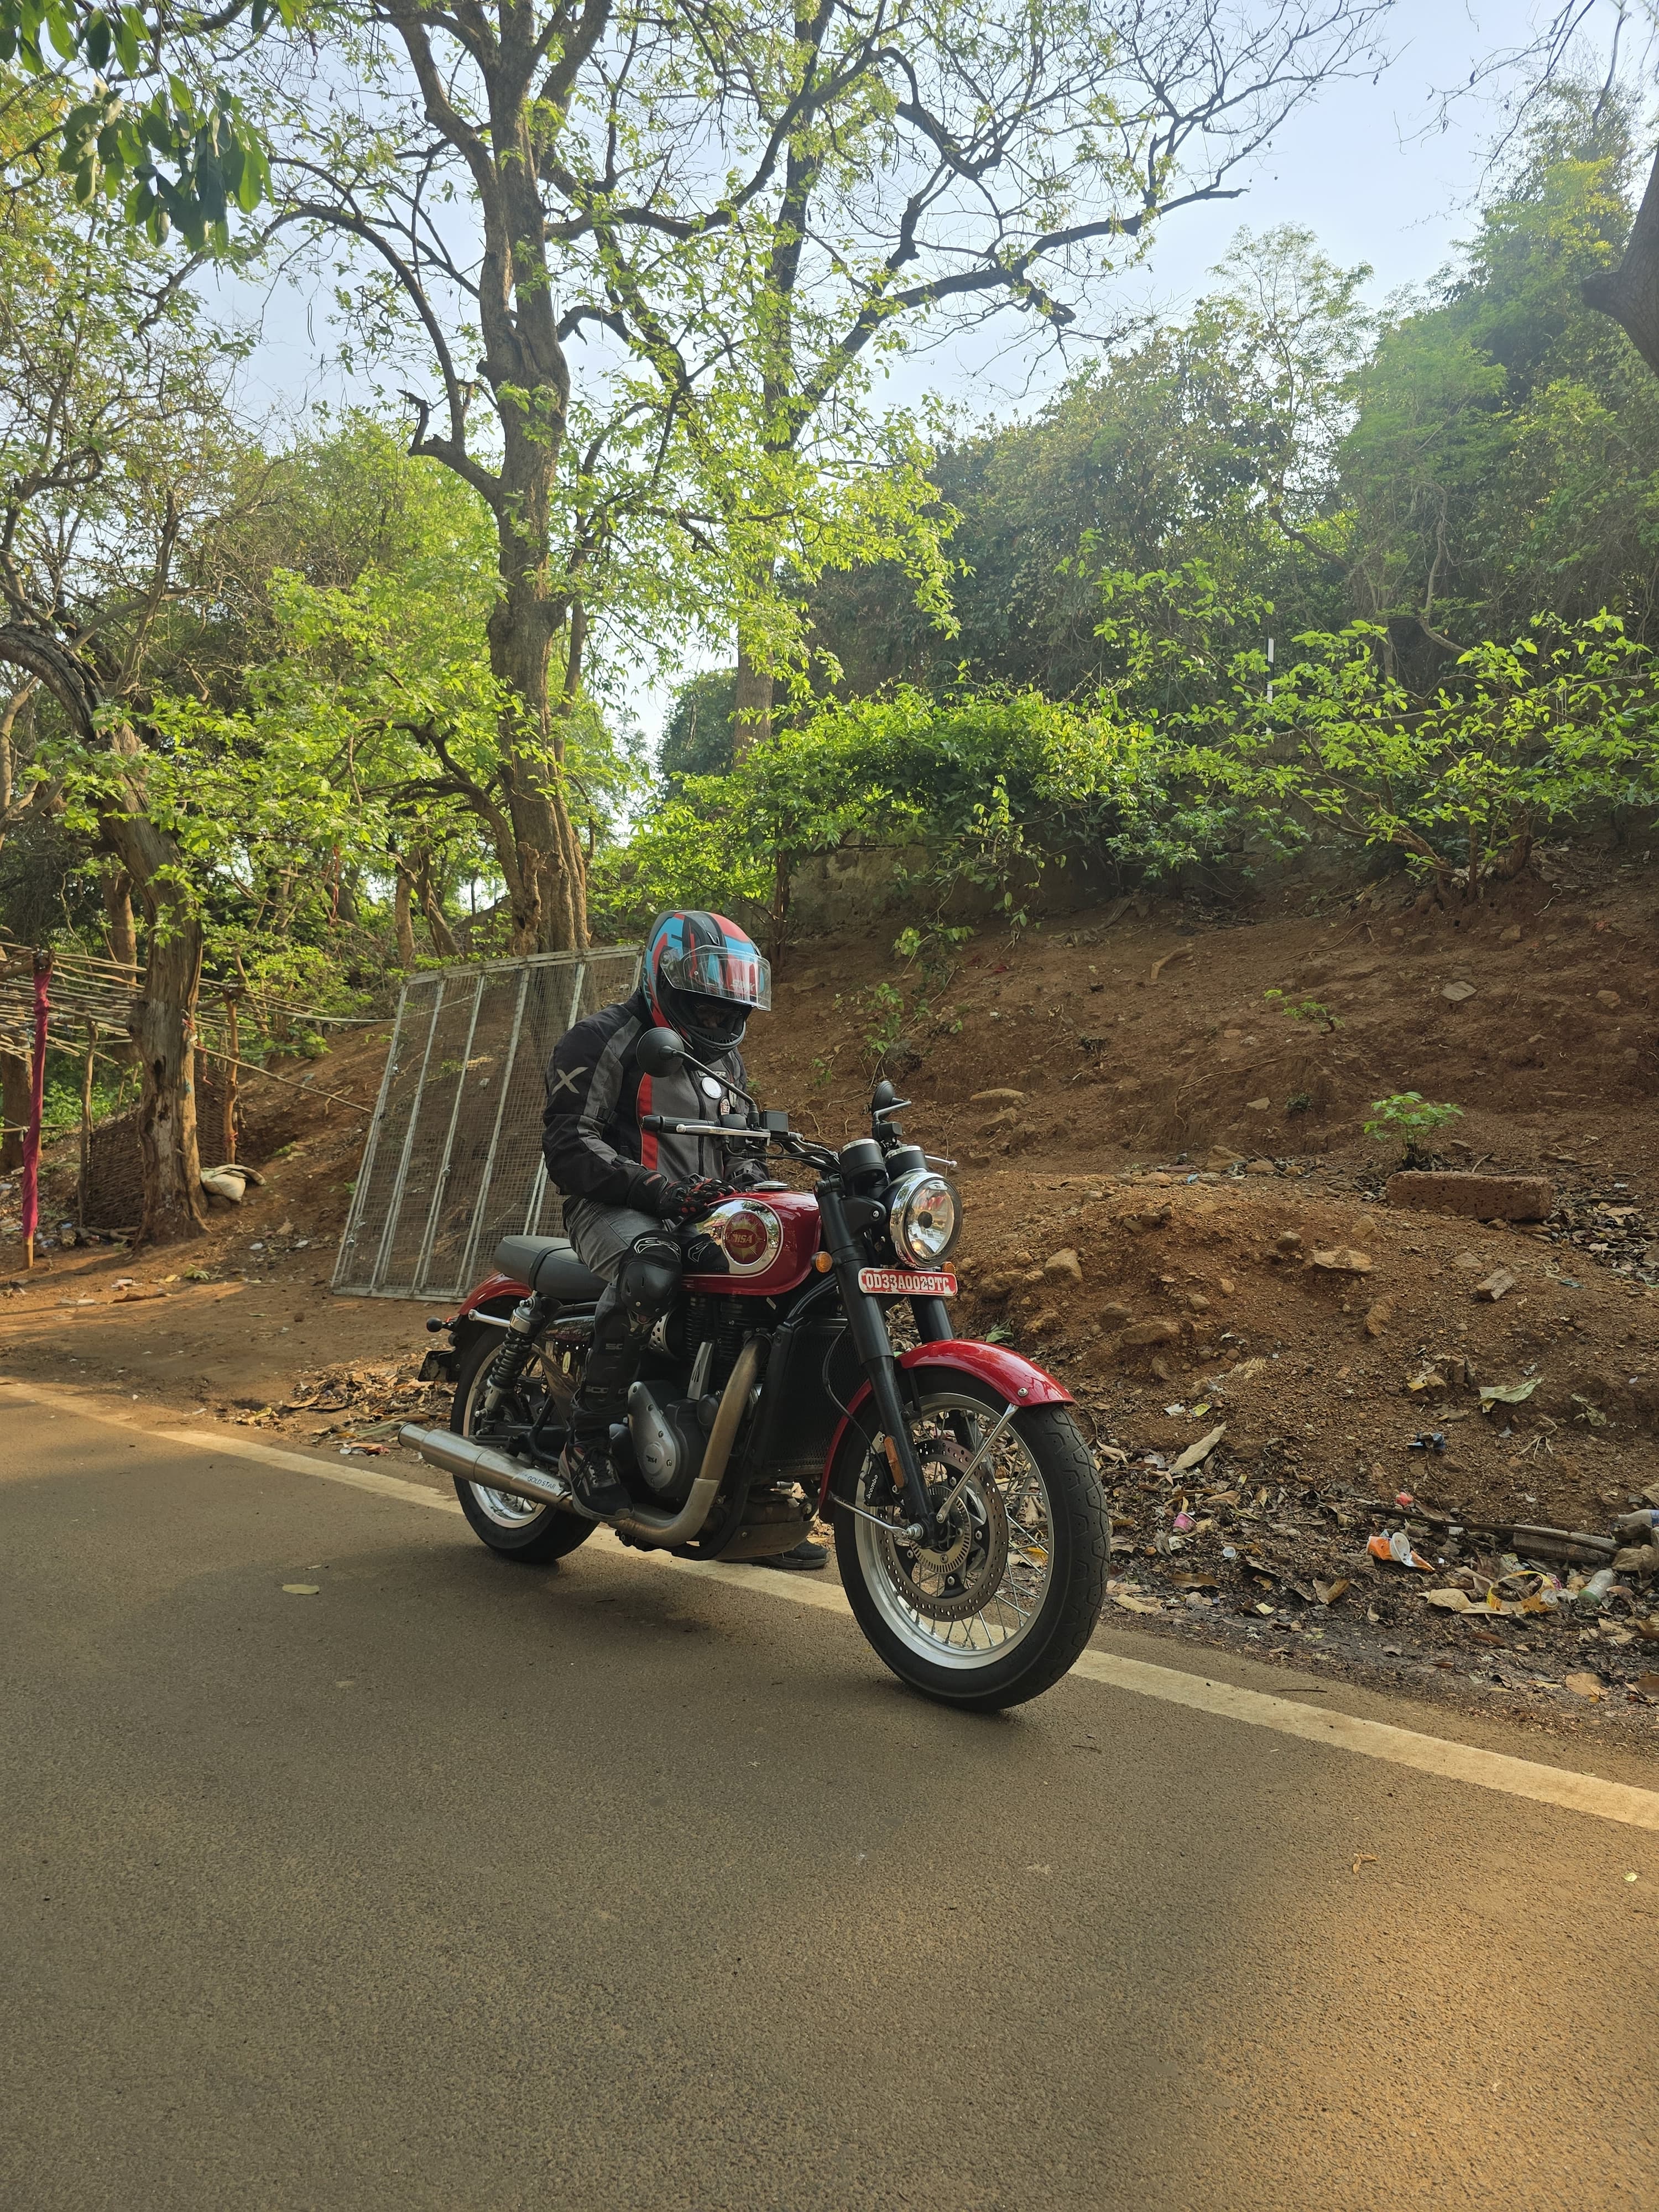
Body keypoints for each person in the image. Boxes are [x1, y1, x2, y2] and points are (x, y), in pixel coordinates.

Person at [540, 909, 827, 1569]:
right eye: (704, 1003)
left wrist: (762, 1184)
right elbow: (569, 1146)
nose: (720, 1020)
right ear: (662, 977)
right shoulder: (601, 1039)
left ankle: (747, 1495)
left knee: (787, 1290)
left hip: (703, 1212)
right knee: (651, 1268)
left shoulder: (727, 1060)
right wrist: (660, 1193)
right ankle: (584, 1440)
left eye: (731, 1009)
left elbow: (743, 1152)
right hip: (614, 1209)